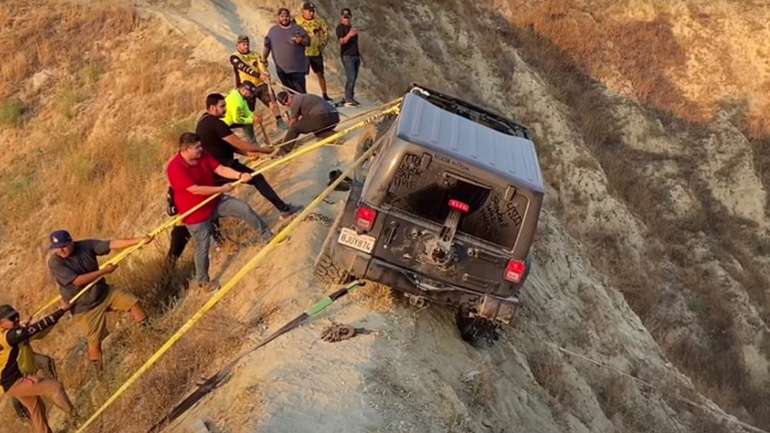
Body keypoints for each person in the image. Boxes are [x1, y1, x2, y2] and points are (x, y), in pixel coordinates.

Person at [167, 132, 278, 292]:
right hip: (195, 214)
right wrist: (221, 188)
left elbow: (220, 169)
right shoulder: (175, 168)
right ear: (185, 149)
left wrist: (240, 175)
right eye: (197, 147)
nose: (201, 149)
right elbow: (195, 190)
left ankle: (267, 236)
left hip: (216, 201)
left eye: (200, 146)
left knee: (243, 208)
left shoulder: (203, 155)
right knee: (202, 246)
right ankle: (203, 282)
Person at [47, 230, 149, 369]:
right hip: (84, 306)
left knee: (133, 303)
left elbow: (111, 244)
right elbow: (77, 281)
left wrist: (139, 240)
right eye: (57, 248)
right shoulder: (55, 262)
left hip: (103, 292)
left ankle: (149, 333)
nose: (61, 250)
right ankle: (99, 373)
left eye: (64, 246)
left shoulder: (85, 245)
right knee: (95, 341)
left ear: (71, 242)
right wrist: (103, 271)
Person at [196, 93, 302, 218]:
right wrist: (262, 150)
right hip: (222, 167)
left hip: (211, 168)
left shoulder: (204, 121)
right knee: (257, 178)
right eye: (222, 106)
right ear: (213, 108)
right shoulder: (217, 124)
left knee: (212, 201)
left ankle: (215, 234)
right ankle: (284, 209)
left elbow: (224, 145)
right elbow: (237, 142)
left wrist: (247, 153)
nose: (225, 109)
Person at [0, 303, 76, 433]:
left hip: (9, 384)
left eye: (16, 316)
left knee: (37, 409)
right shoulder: (9, 336)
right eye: (12, 319)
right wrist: (61, 311)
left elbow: (19, 334)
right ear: (2, 323)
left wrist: (19, 327)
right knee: (55, 388)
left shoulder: (5, 335)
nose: (16, 319)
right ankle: (77, 420)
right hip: (15, 382)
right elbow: (37, 328)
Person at [229, 35, 287, 130]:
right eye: (244, 44)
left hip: (259, 84)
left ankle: (280, 121)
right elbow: (244, 68)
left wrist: (265, 74)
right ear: (238, 45)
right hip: (245, 88)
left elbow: (261, 66)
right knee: (248, 113)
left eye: (247, 44)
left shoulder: (254, 54)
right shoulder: (234, 57)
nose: (246, 46)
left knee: (272, 101)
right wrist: (258, 75)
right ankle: (252, 138)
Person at [263, 8, 310, 94]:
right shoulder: (273, 31)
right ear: (278, 17)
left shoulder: (298, 28)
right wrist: (264, 58)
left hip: (298, 69)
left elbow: (308, 42)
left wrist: (301, 41)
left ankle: (305, 107)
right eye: (282, 16)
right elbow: (267, 46)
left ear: (290, 17)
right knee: (290, 94)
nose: (284, 18)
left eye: (286, 16)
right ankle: (294, 107)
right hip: (282, 70)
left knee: (301, 93)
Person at [295, 2, 332, 101]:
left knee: (320, 74)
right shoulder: (297, 21)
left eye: (312, 11)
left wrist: (323, 44)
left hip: (316, 52)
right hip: (303, 53)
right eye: (309, 11)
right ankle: (304, 95)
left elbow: (326, 32)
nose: (311, 13)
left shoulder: (318, 22)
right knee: (302, 75)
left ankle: (325, 94)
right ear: (304, 11)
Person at [336, 8, 363, 107]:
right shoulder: (340, 28)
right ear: (341, 18)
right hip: (347, 56)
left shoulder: (352, 28)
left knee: (354, 77)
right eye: (344, 17)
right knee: (350, 77)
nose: (346, 19)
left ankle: (350, 97)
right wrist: (349, 35)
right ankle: (348, 98)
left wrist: (361, 56)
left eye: (348, 17)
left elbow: (356, 44)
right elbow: (342, 41)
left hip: (355, 56)